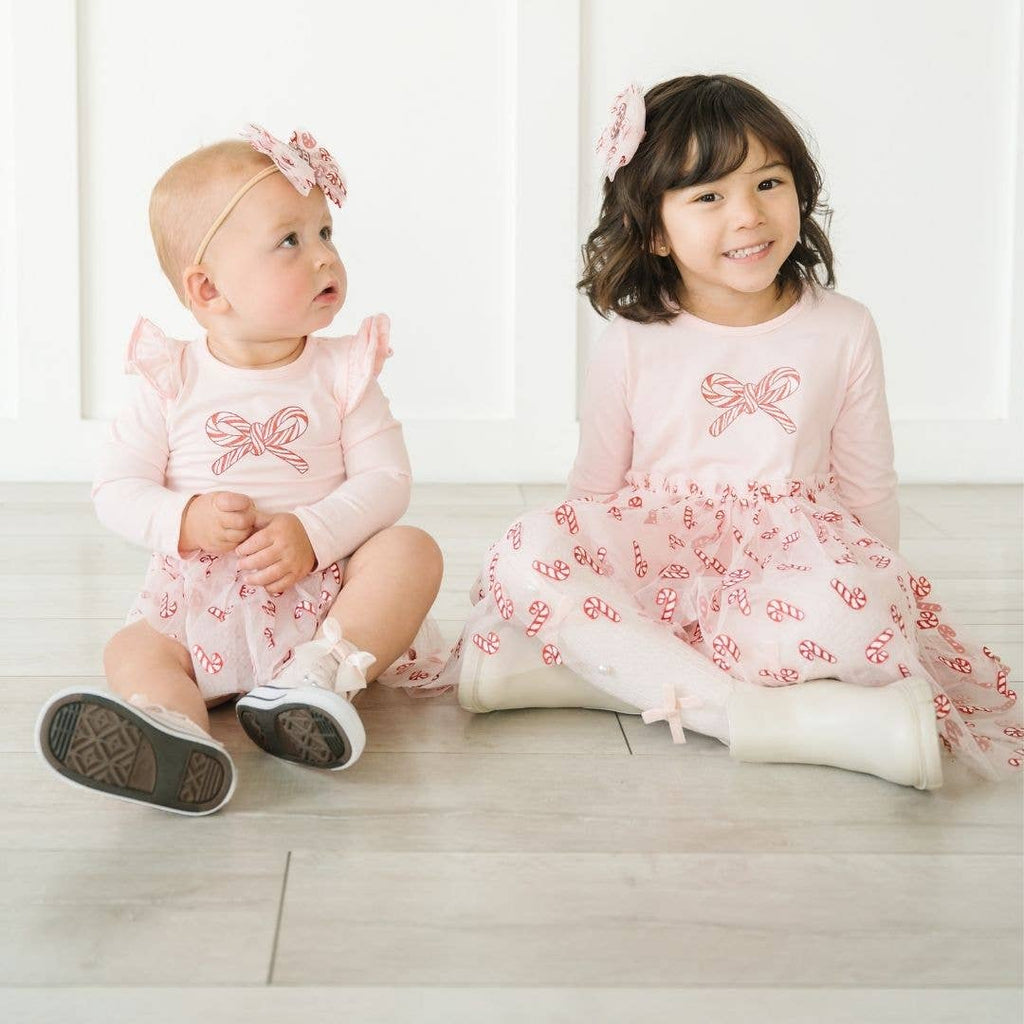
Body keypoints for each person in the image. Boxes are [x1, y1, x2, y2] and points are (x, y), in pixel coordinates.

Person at [440, 75, 1021, 788]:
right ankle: (753, 714)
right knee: (526, 551)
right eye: (709, 196)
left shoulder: (841, 328)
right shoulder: (632, 337)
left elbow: (870, 484)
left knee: (852, 607)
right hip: (656, 556)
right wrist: (571, 563)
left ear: (800, 192)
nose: (747, 215)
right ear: (653, 228)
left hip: (782, 566)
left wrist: (870, 595)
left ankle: (608, 675)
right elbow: (593, 490)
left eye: (768, 183)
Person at [36, 126, 446, 814]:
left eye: (325, 233)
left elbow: (387, 480)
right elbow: (115, 489)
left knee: (412, 551)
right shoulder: (171, 379)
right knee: (132, 650)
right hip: (199, 607)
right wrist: (184, 517)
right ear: (208, 289)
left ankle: (315, 683)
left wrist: (312, 533)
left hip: (324, 600)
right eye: (291, 241)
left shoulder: (342, 372)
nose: (323, 258)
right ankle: (175, 732)